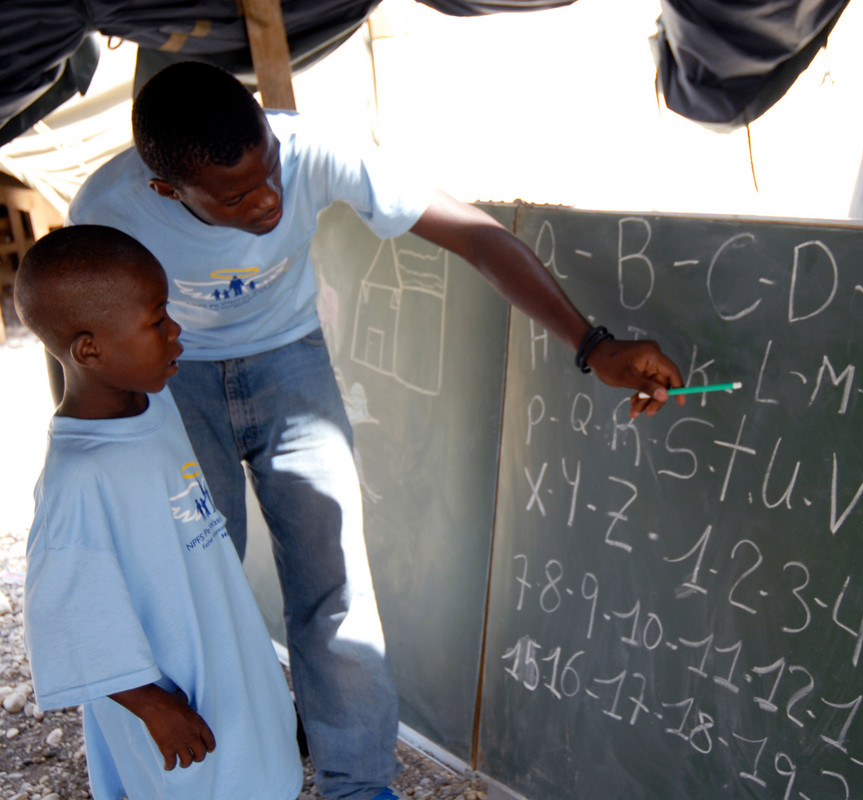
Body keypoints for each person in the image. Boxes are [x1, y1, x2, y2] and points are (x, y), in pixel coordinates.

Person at [67, 60, 684, 800]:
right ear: (167, 190)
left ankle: (357, 785)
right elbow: (84, 342)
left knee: (335, 586)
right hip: (174, 378)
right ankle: (227, 777)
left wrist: (592, 345)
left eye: (270, 174)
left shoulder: (309, 150)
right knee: (202, 582)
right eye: (235, 197)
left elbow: (476, 236)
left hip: (287, 359)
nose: (268, 201)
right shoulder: (107, 209)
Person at [14, 225, 303, 800]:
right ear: (89, 350)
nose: (175, 332)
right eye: (156, 321)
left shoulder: (155, 403)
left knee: (258, 768)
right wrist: (151, 705)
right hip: (177, 704)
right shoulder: (79, 479)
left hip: (222, 659)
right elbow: (68, 614)